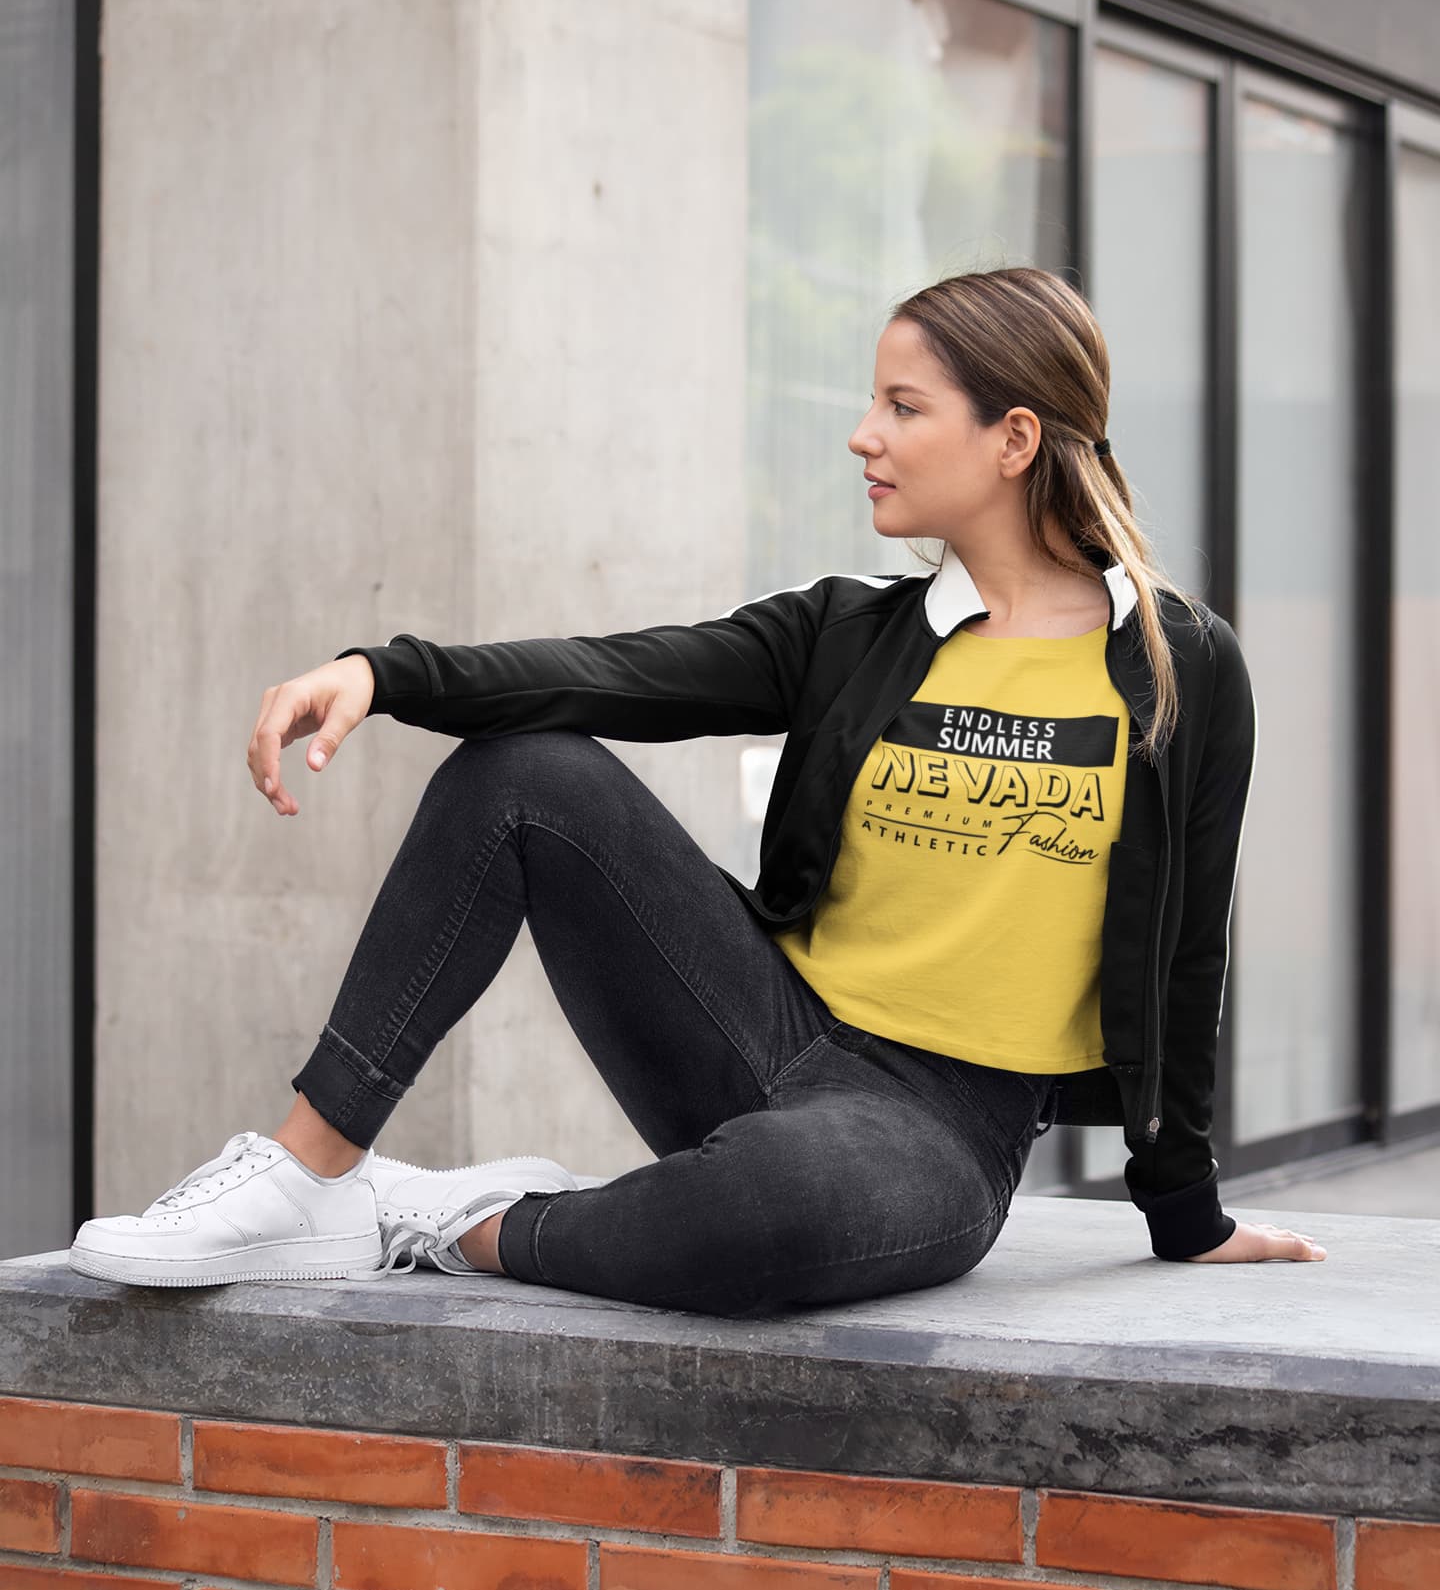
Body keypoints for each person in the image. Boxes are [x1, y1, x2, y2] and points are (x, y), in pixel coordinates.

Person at [70, 266, 1326, 1308]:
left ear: (1013, 439)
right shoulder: (852, 631)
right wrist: (383, 674)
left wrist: (1186, 1214)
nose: (862, 436)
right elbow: (609, 675)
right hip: (762, 1023)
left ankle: (460, 1223)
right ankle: (306, 1175)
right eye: (868, 404)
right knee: (528, 773)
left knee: (773, 1217)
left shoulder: (1177, 664)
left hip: (941, 1128)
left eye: (902, 407)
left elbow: (1185, 955)